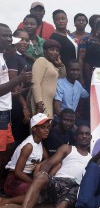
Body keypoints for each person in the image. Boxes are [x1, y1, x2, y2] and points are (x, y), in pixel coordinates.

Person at [21, 125, 92, 208]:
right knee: (41, 177)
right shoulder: (68, 148)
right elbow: (49, 163)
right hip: (58, 181)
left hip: (74, 187)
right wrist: (42, 175)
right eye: (81, 133)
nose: (84, 136)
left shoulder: (92, 159)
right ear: (75, 137)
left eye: (87, 134)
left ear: (90, 137)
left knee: (64, 204)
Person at [0, 23, 32, 191]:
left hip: (5, 110)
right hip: (0, 112)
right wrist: (19, 79)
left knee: (8, 147)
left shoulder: (2, 56)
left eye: (9, 36)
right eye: (4, 36)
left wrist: (15, 90)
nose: (8, 39)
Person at [0, 113, 51, 206]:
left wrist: (38, 167)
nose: (46, 130)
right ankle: (6, 201)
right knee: (35, 194)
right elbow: (18, 172)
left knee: (42, 191)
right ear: (34, 128)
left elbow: (47, 159)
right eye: (43, 127)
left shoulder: (39, 142)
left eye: (48, 127)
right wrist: (34, 183)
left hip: (25, 177)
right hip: (14, 180)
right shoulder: (29, 146)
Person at [6, 29, 33, 145]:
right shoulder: (12, 57)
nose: (25, 42)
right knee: (18, 136)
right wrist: (24, 106)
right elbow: (14, 84)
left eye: (27, 40)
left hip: (25, 99)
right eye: (21, 39)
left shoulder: (22, 56)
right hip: (17, 103)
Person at [27, 39, 66, 119]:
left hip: (48, 102)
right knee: (39, 129)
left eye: (57, 50)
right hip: (41, 103)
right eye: (52, 49)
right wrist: (39, 104)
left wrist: (60, 64)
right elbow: (35, 83)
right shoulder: (41, 61)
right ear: (45, 50)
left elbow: (63, 75)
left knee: (46, 129)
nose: (55, 52)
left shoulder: (52, 64)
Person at [78, 14, 100, 86]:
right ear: (92, 25)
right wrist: (81, 77)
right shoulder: (85, 40)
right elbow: (81, 59)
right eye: (97, 23)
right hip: (89, 74)